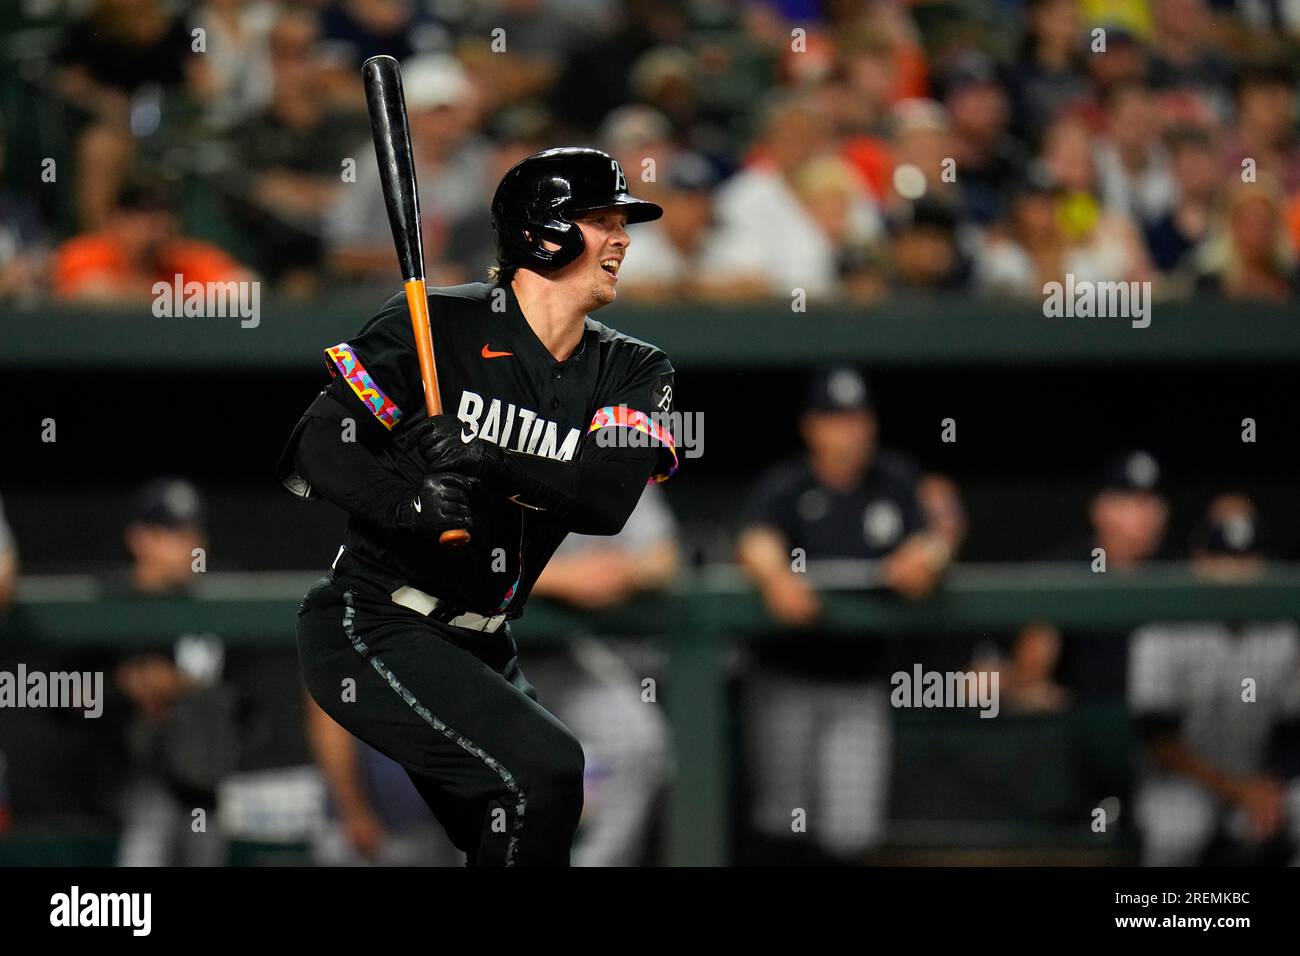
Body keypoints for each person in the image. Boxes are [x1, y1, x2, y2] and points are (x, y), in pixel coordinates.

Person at [279, 147, 678, 866]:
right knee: (548, 770)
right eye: (599, 220)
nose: (621, 238)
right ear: (542, 231)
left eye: (623, 222)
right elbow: (315, 449)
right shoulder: (437, 326)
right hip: (373, 618)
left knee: (519, 828)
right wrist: (409, 503)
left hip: (486, 641)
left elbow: (607, 498)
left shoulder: (630, 367)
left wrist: (486, 458)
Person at [735, 366, 956, 863]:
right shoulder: (789, 486)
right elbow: (756, 539)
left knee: (852, 833)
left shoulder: (894, 479)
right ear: (811, 427)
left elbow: (938, 531)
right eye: (835, 419)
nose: (849, 431)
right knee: (782, 820)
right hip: (787, 675)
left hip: (860, 682)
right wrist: (776, 578)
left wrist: (928, 555)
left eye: (857, 418)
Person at [1129, 495, 1300, 865]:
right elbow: (1160, 741)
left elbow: (1292, 731)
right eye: (1223, 557)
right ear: (1200, 562)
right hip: (1181, 784)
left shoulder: (1283, 632)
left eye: (1246, 558)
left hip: (1260, 778)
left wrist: (1270, 788)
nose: (1235, 571)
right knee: (1177, 831)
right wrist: (1238, 792)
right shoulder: (1163, 629)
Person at [526, 483, 678, 866]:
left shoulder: (599, 454)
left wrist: (624, 571)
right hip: (464, 653)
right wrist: (560, 576)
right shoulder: (472, 441)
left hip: (559, 655)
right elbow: (436, 558)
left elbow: (664, 556)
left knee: (638, 744)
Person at [109, 478, 240, 867]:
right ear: (139, 538)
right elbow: (64, 703)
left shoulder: (220, 605)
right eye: (172, 533)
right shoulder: (107, 605)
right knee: (151, 816)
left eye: (193, 532)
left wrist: (184, 687)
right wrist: (122, 687)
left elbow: (252, 706)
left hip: (207, 790)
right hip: (119, 790)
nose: (189, 544)